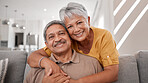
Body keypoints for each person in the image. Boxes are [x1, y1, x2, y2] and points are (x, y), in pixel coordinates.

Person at [28, 2, 119, 83]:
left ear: (88, 20)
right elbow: (32, 57)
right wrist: (48, 63)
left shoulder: (103, 36)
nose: (76, 30)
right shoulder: (66, 42)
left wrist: (77, 82)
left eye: (79, 23)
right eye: (70, 26)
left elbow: (113, 73)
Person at [24, 20, 102, 83]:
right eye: (51, 37)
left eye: (61, 33)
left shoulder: (93, 64)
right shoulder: (35, 71)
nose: (57, 39)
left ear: (70, 38)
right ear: (46, 45)